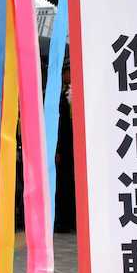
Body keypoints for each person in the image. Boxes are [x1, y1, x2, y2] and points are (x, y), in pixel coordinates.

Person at [53, 61, 76, 233]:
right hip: (62, 145)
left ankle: (67, 220)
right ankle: (62, 220)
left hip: (69, 146)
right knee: (62, 184)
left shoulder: (72, 93)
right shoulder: (59, 92)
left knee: (67, 184)